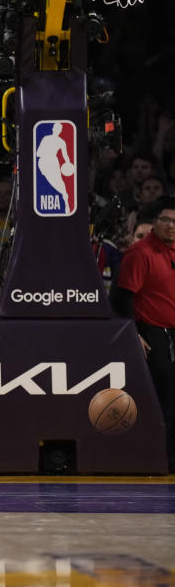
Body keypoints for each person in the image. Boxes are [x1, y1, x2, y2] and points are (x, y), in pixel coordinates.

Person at [114, 196, 175, 471]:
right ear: (154, 223)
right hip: (153, 333)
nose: (172, 226)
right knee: (165, 393)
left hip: (171, 331)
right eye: (166, 221)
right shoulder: (140, 253)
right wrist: (133, 334)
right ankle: (162, 456)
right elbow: (123, 296)